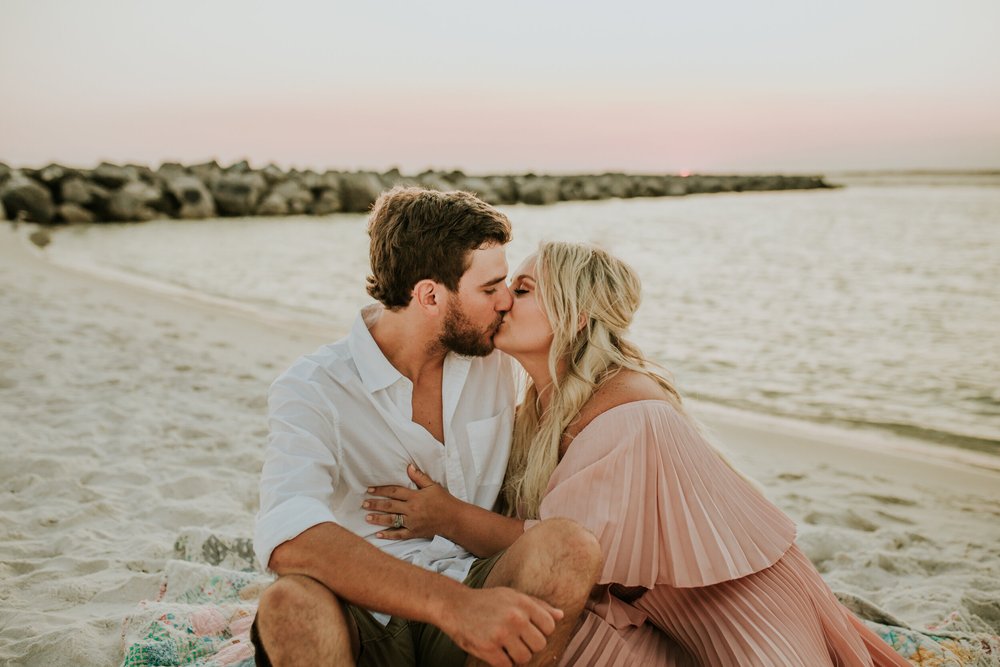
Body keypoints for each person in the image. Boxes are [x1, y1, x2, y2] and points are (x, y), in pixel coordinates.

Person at [364, 241, 911, 666]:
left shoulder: (628, 416)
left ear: (577, 317)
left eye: (524, 289)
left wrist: (447, 517)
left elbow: (565, 548)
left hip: (743, 619)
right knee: (547, 627)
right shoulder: (539, 405)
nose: (503, 298)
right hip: (654, 616)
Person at [252, 192, 602, 667]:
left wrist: (648, 398)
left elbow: (596, 361)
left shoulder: (495, 354)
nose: (505, 302)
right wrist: (452, 606)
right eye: (489, 288)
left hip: (479, 587)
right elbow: (288, 532)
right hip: (367, 613)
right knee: (287, 605)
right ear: (430, 296)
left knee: (570, 549)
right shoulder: (313, 387)